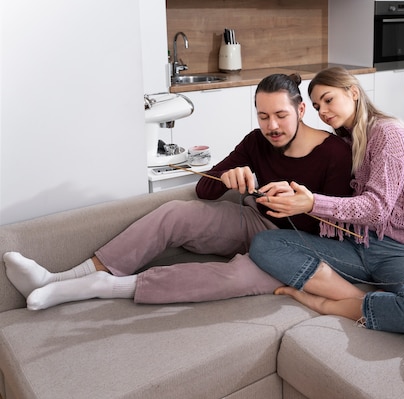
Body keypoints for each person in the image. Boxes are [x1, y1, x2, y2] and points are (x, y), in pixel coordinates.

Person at [4, 73, 353, 310]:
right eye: (263, 116)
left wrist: (298, 203)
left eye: (280, 115)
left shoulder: (334, 153)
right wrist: (228, 175)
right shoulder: (256, 142)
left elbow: (337, 231)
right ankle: (60, 277)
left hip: (298, 246)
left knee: (237, 275)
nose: (272, 126)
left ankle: (101, 287)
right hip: (252, 221)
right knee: (174, 212)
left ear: (301, 110)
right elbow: (203, 190)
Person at [249, 67, 404, 336]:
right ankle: (358, 299)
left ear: (353, 92)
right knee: (264, 244)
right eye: (318, 106)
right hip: (357, 245)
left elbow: (377, 209)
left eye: (328, 100)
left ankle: (333, 305)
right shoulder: (346, 139)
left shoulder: (389, 134)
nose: (323, 111)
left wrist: (311, 203)